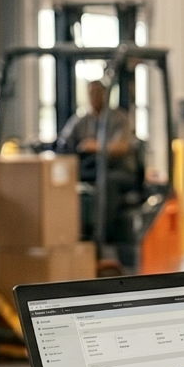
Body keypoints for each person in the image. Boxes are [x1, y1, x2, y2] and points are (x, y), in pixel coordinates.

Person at [55, 78, 139, 246]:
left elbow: (121, 147)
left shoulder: (119, 118)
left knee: (107, 182)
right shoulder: (81, 120)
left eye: (97, 93)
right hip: (91, 169)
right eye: (91, 93)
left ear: (105, 94)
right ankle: (69, 233)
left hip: (120, 171)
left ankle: (103, 237)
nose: (94, 97)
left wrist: (96, 146)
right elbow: (64, 141)